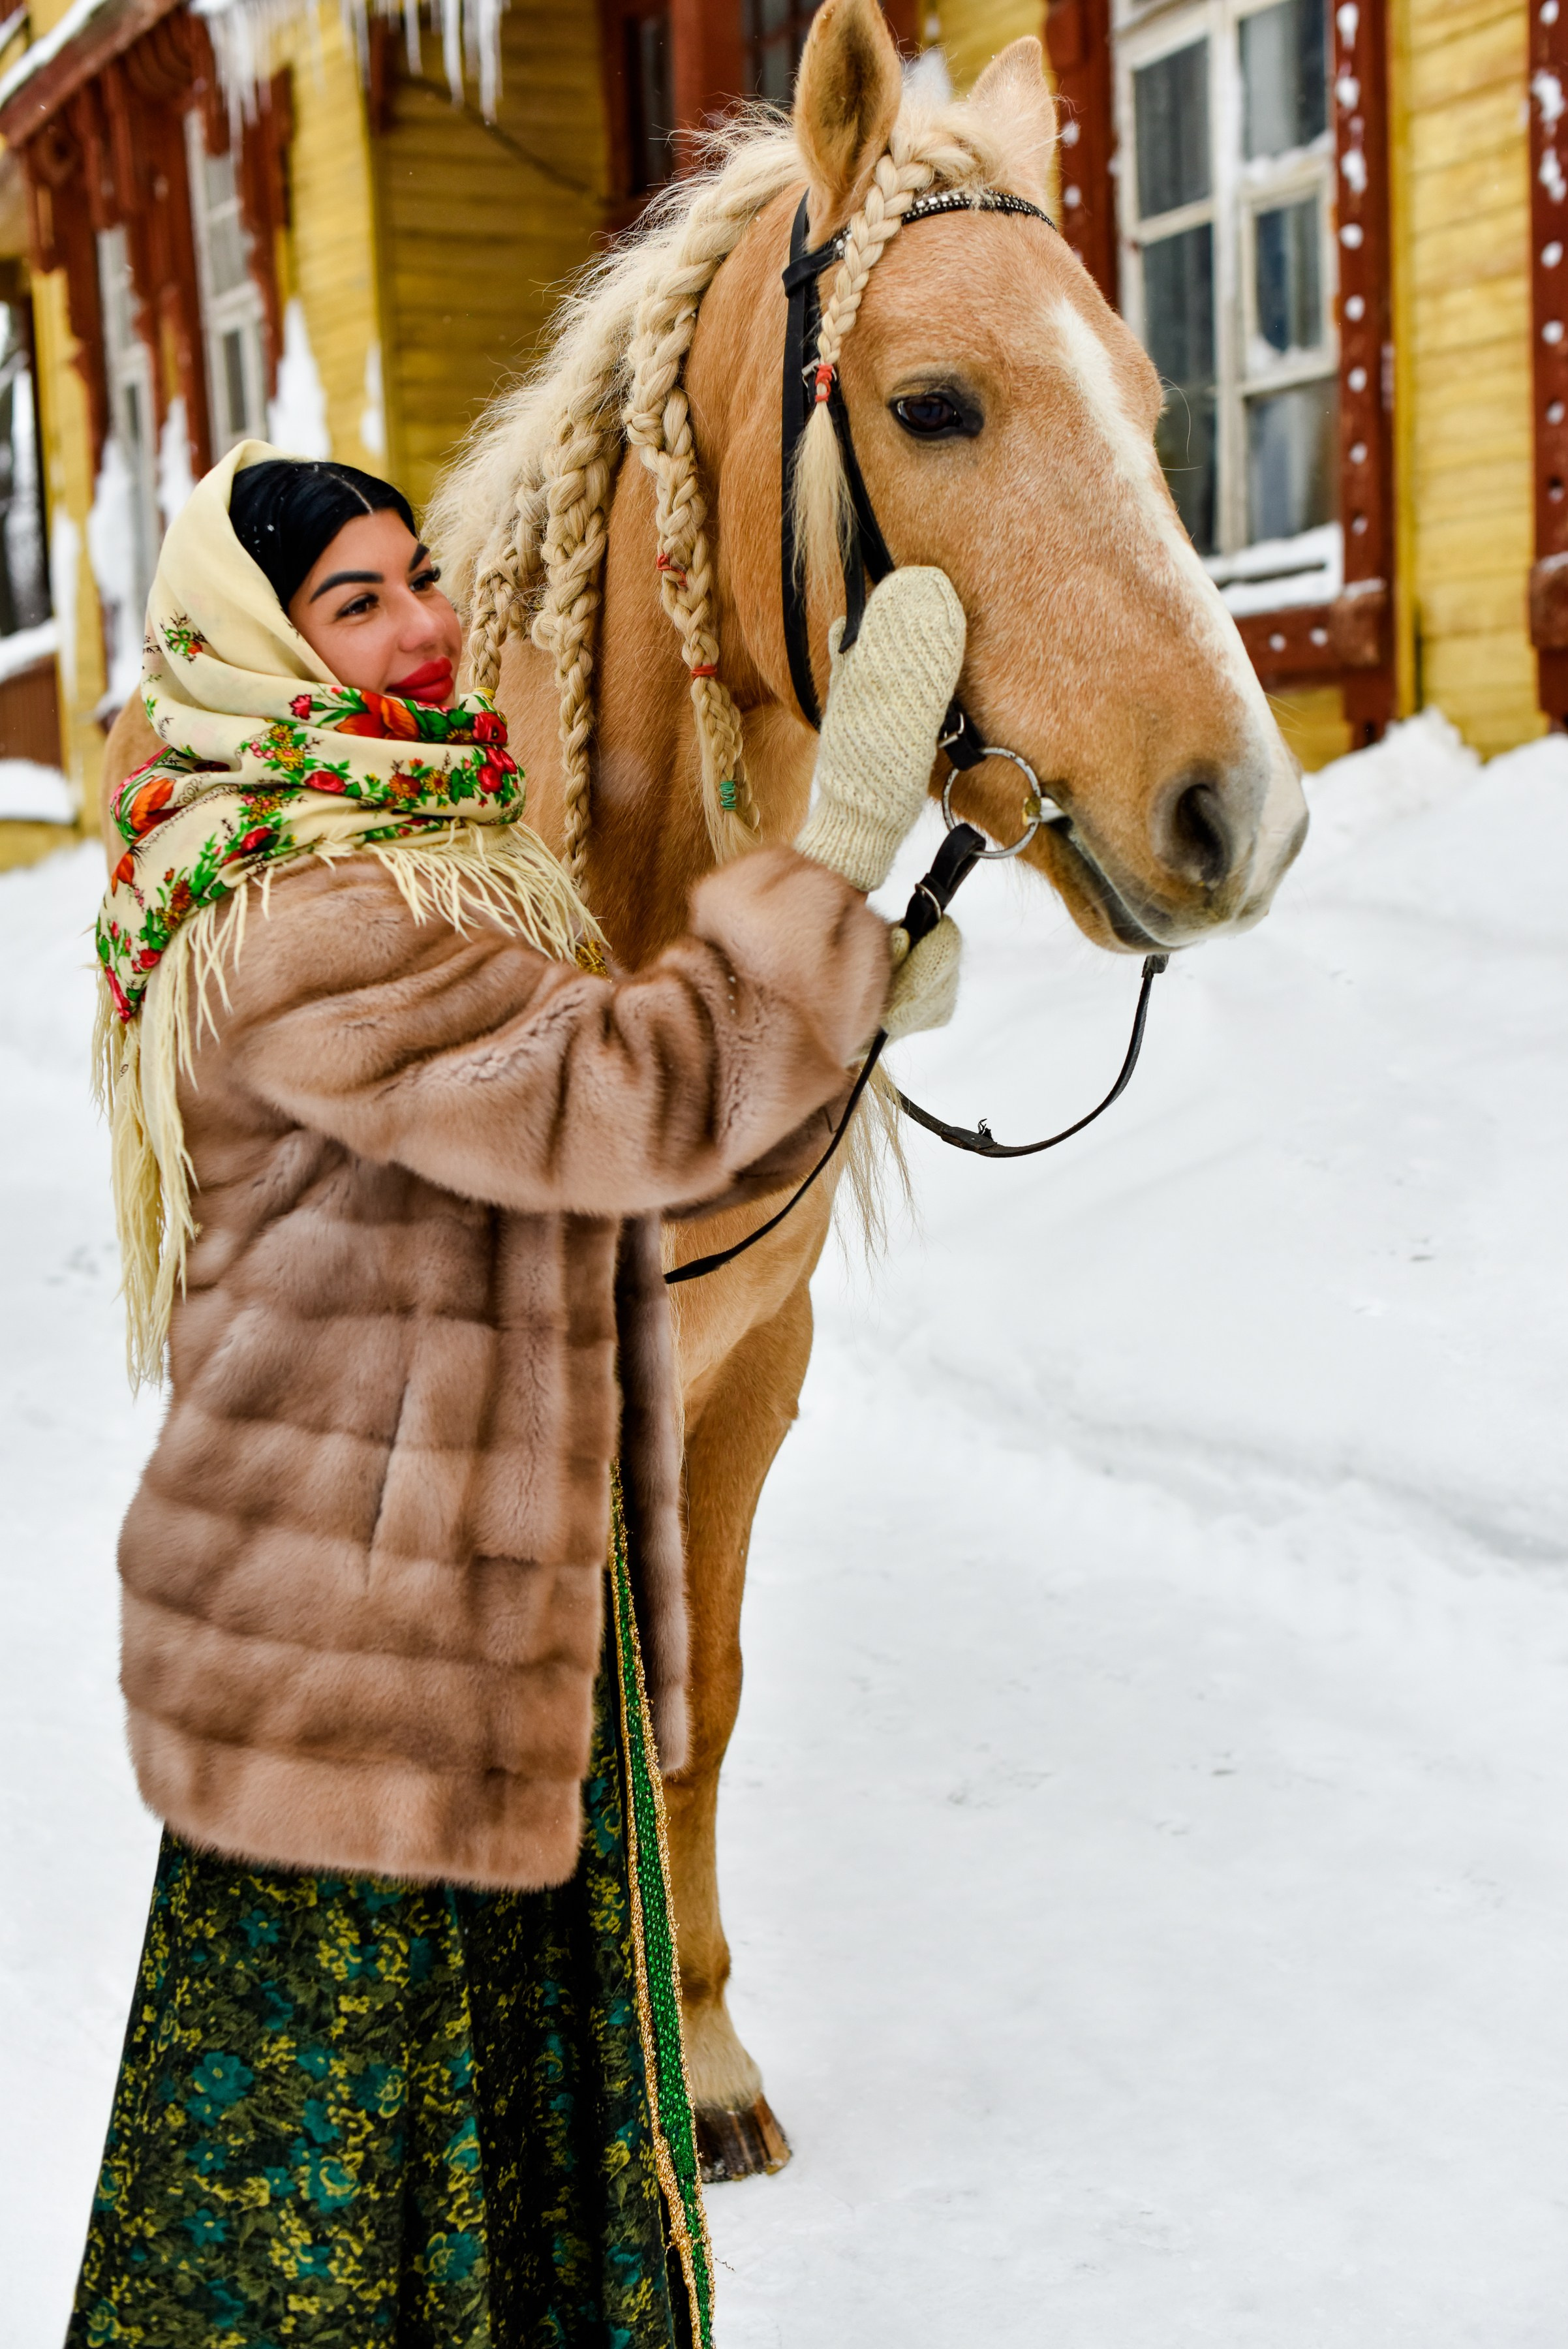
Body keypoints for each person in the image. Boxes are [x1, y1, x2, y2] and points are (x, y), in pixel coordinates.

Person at [71, 440, 964, 2348]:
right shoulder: (303, 901)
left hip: (464, 1586)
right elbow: (619, 1098)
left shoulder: (395, 835)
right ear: (258, 640)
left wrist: (837, 998)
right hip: (373, 1641)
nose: (421, 630)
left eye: (418, 577)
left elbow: (573, 1130)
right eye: (355, 603)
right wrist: (836, 860)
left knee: (470, 2130)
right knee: (332, 2174)